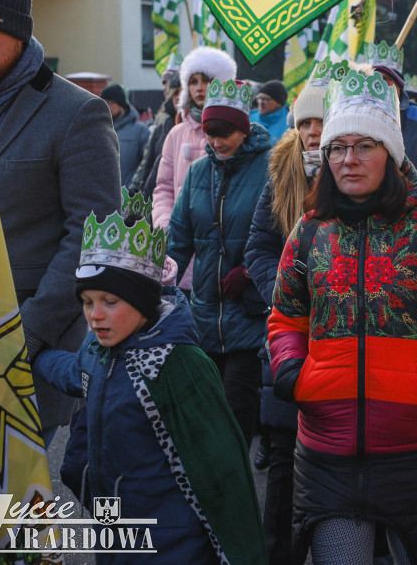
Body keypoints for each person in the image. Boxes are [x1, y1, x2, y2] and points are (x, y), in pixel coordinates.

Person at [267, 69, 417, 565]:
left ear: (392, 153)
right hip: (328, 450)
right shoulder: (309, 232)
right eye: (337, 148)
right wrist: (293, 372)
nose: (348, 159)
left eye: (365, 145)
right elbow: (286, 318)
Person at [33, 189, 267, 564]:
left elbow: (222, 470)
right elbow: (73, 372)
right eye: (87, 302)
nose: (95, 315)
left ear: (142, 302)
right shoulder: (97, 349)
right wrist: (32, 353)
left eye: (110, 302)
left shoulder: (178, 364)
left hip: (172, 544)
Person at [0, 0, 121, 437]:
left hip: (19, 346)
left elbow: (90, 237)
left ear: (19, 35)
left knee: (9, 483)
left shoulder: (77, 112)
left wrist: (23, 333)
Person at [244, 59, 341, 565]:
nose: (312, 132)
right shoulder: (281, 171)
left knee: (336, 460)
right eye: (305, 122)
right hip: (289, 335)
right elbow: (259, 246)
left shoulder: (356, 172)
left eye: (321, 121)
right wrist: (284, 294)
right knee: (283, 458)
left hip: (342, 337)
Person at [167, 79, 272, 446]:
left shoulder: (271, 168)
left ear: (244, 129)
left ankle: (237, 478)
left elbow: (287, 235)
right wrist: (158, 287)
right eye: (210, 133)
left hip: (250, 314)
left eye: (225, 133)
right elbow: (178, 241)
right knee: (207, 411)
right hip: (205, 314)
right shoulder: (198, 172)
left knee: (237, 410)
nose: (216, 142)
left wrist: (250, 271)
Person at [153, 46, 236, 292]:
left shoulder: (237, 134)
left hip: (224, 253)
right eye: (193, 81)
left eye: (207, 80)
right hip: (182, 251)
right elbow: (163, 187)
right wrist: (166, 224)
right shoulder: (176, 133)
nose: (199, 88)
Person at [360, 41, 417, 203]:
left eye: (385, 79)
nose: (377, 84)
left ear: (399, 85)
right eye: (372, 79)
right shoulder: (357, 124)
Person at [131, 71, 181, 197]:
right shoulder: (161, 127)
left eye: (183, 92)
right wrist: (137, 191)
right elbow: (147, 165)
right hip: (157, 198)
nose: (179, 97)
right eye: (175, 93)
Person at [101, 83, 151, 187]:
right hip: (103, 194)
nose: (107, 107)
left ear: (121, 104)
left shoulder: (140, 131)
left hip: (128, 194)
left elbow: (148, 165)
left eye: (111, 103)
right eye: (104, 103)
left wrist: (135, 188)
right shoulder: (98, 131)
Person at [252, 79, 290, 144]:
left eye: (266, 99)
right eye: (259, 98)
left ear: (279, 103)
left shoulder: (290, 123)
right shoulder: (249, 117)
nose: (261, 102)